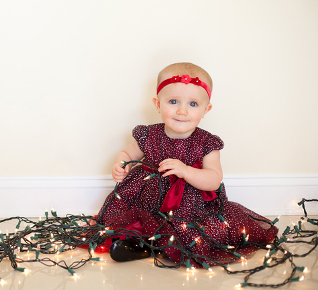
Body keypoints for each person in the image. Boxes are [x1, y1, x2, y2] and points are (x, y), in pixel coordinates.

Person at [96, 62, 278, 265]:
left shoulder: (207, 143)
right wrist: (121, 164)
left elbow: (213, 180)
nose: (182, 111)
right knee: (132, 221)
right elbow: (127, 153)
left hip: (190, 207)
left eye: (193, 104)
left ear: (205, 109)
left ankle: (162, 247)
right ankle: (137, 245)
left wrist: (185, 171)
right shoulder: (149, 134)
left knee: (197, 232)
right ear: (157, 104)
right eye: (173, 101)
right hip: (147, 199)